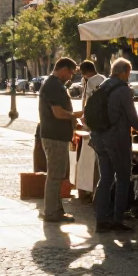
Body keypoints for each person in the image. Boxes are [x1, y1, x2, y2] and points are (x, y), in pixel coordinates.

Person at [88, 58, 138, 232]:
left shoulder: (103, 86)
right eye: (129, 73)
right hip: (116, 140)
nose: (128, 77)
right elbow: (132, 118)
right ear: (124, 72)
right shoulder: (123, 90)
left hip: (98, 138)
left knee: (106, 178)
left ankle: (101, 220)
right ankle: (117, 218)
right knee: (123, 178)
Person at [39, 58, 81, 223]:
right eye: (70, 72)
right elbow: (58, 112)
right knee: (55, 175)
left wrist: (74, 122)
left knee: (57, 174)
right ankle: (51, 212)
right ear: (63, 69)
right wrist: (75, 115)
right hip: (54, 136)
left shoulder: (54, 85)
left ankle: (56, 210)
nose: (71, 76)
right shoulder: (53, 86)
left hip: (55, 135)